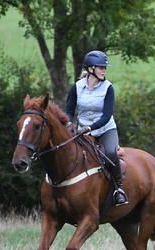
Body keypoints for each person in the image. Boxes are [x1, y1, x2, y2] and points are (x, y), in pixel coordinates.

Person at [65, 50, 129, 206]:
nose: (104, 70)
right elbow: (69, 111)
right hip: (81, 131)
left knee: (110, 152)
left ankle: (118, 189)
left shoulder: (108, 88)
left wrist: (88, 128)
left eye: (105, 68)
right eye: (101, 67)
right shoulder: (77, 87)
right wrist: (68, 123)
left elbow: (106, 116)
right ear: (90, 69)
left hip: (105, 130)